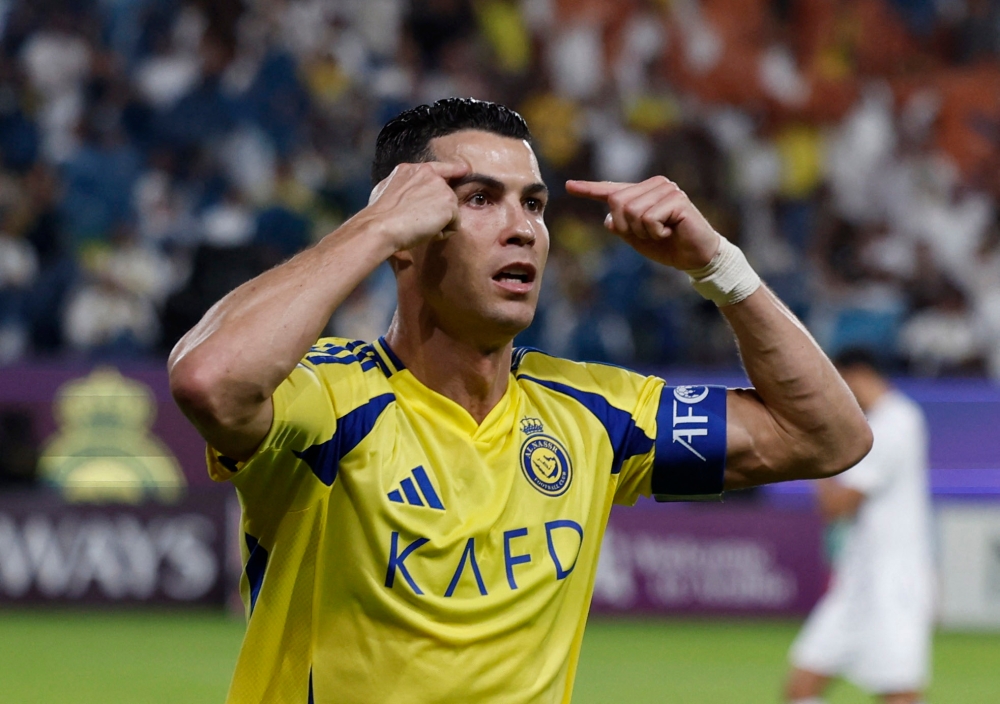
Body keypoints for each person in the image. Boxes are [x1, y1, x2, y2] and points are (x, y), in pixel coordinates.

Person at [168, 98, 872, 704]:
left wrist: (717, 265)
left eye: (532, 204)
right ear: (408, 227)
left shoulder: (593, 414)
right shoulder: (326, 401)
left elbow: (828, 438)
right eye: (479, 199)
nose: (523, 229)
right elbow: (210, 379)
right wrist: (372, 229)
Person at [785, 349, 934, 704]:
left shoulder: (894, 423)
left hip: (893, 581)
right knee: (801, 685)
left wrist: (809, 455)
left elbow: (837, 506)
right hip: (859, 580)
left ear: (856, 375)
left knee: (898, 692)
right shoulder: (879, 424)